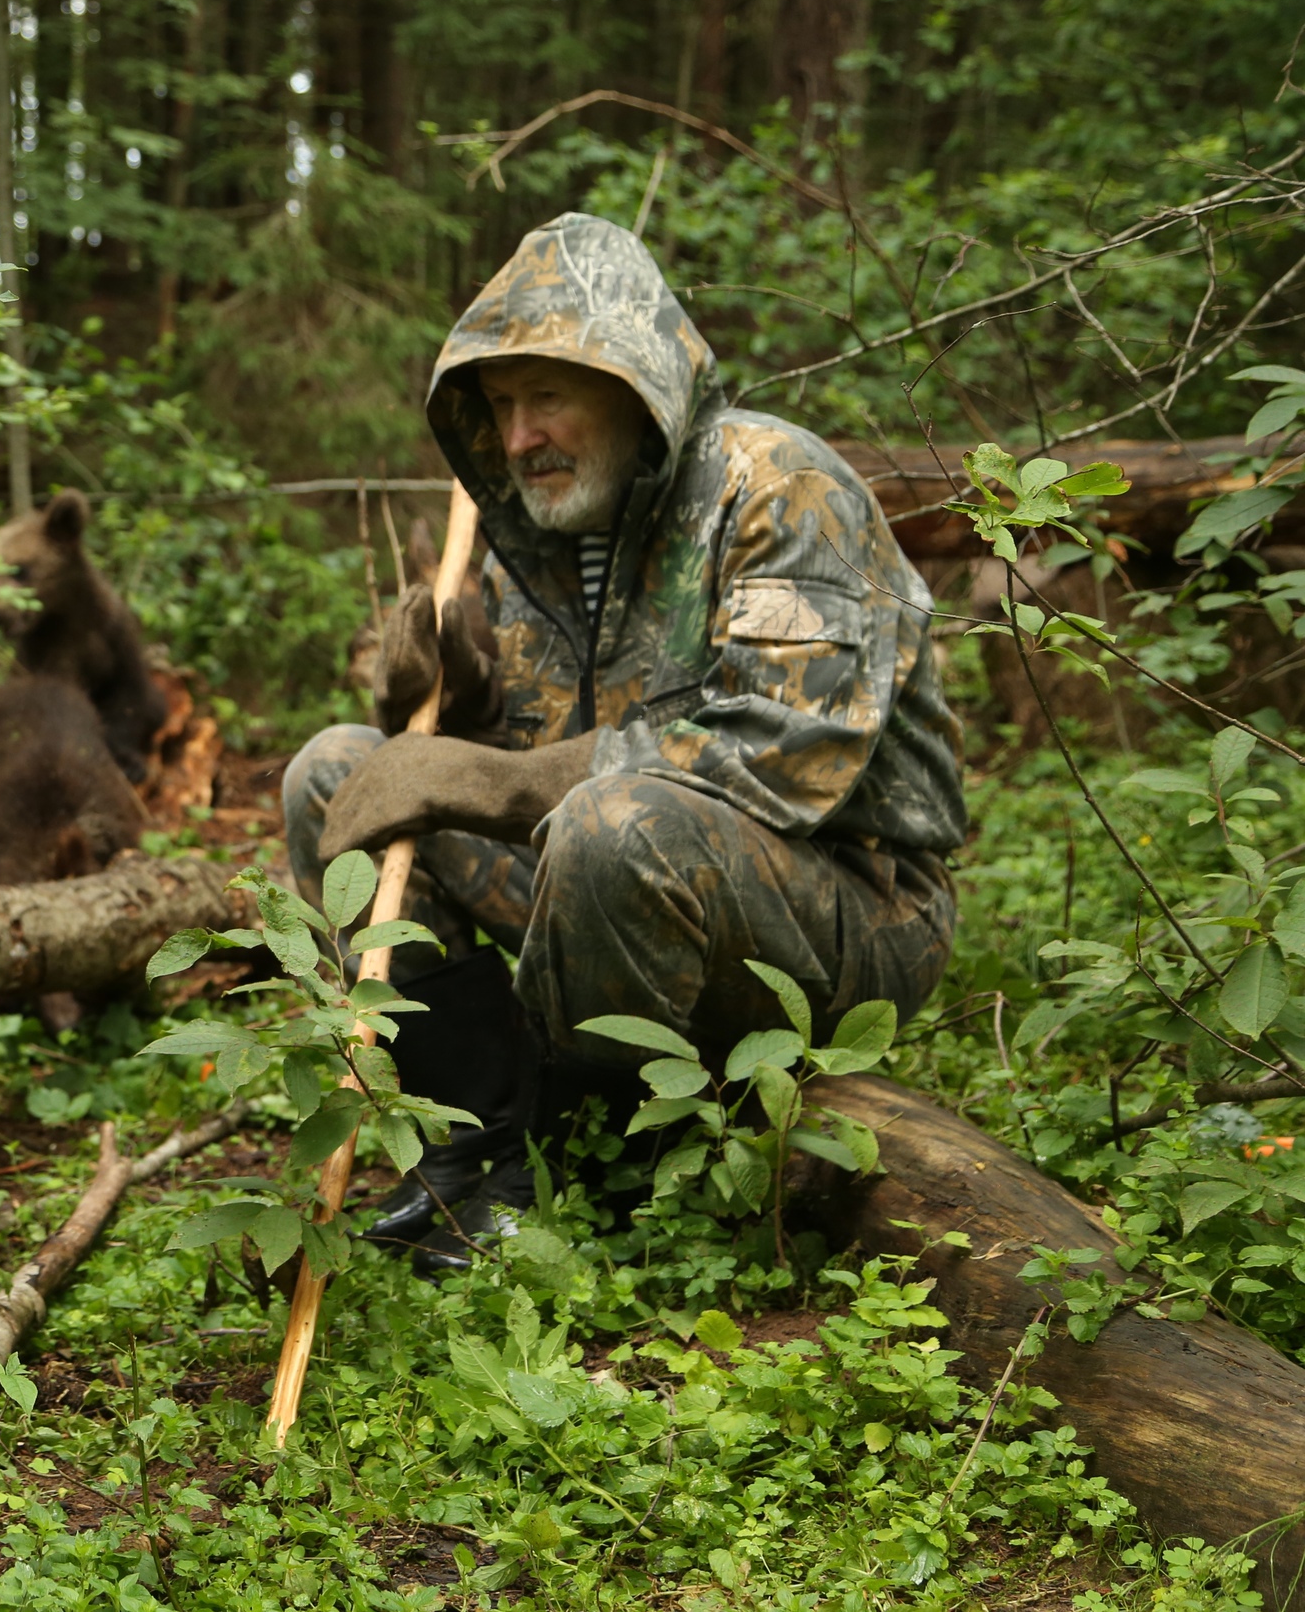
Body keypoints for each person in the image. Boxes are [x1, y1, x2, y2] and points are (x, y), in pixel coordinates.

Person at [285, 212, 967, 1273]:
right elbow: (494, 759)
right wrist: (443, 693)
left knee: (614, 826)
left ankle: (591, 1168)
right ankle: (477, 1144)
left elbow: (781, 753)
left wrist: (496, 776)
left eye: (547, 396)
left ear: (634, 383)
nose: (518, 439)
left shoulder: (776, 485)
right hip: (624, 878)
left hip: (850, 904)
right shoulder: (538, 531)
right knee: (335, 775)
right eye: (501, 407)